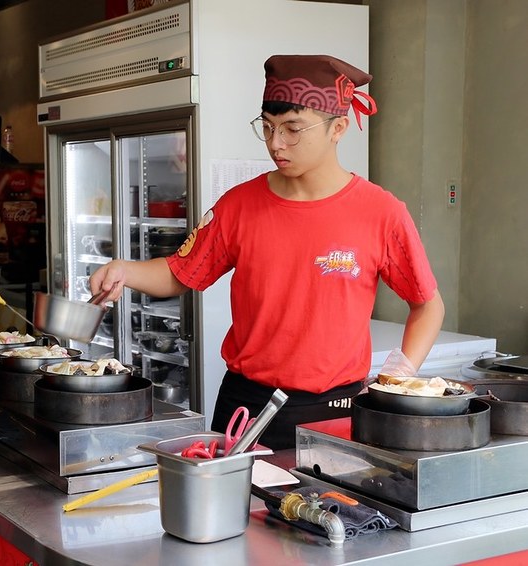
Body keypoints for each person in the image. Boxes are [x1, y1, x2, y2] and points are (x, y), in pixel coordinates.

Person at [89, 55, 445, 449]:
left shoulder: (381, 213)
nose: (276, 143)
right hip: (246, 405)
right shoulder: (239, 205)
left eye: (293, 129)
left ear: (338, 128)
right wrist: (125, 269)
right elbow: (182, 272)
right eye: (268, 127)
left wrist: (398, 376)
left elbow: (427, 305)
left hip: (335, 410)